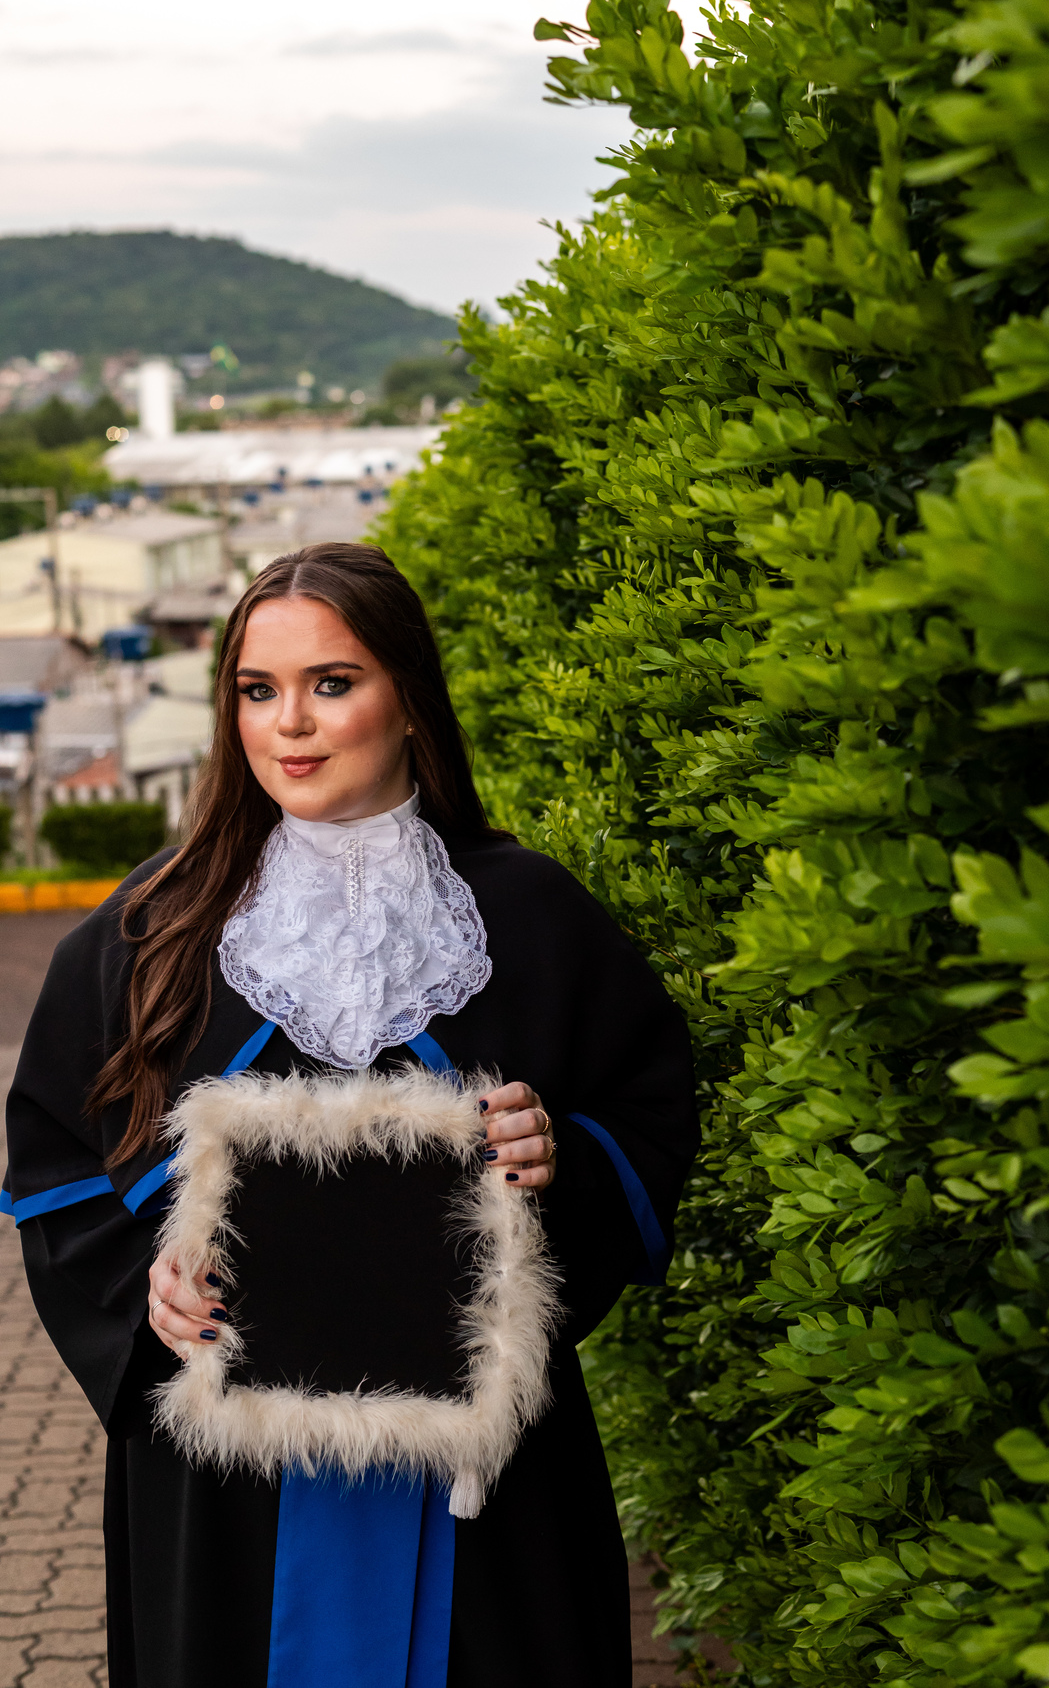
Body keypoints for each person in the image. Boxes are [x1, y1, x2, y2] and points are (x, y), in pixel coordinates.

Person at [2, 542, 698, 1688]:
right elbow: (56, 1160)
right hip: (231, 1489)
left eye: (332, 682)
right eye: (257, 689)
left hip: (484, 1486)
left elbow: (651, 1112)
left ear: (409, 697)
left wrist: (560, 1155)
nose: (291, 723)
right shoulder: (152, 929)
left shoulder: (530, 915)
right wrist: (147, 1288)